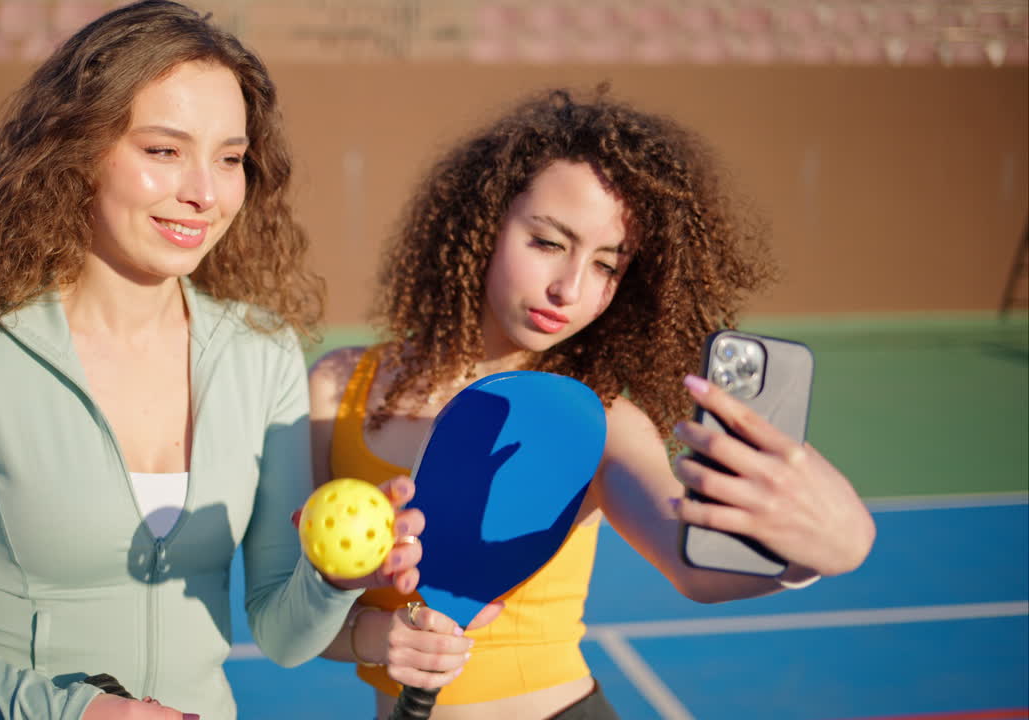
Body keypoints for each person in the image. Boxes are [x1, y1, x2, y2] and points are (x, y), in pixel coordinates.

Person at [0, 3, 426, 719]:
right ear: (79, 149)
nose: (205, 193)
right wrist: (77, 712)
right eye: (163, 151)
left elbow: (282, 635)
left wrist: (339, 577)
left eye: (228, 157)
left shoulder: (264, 356)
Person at [308, 87, 877, 719]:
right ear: (483, 222)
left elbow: (693, 565)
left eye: (608, 264)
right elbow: (293, 612)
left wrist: (812, 556)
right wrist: (375, 638)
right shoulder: (339, 387)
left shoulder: (599, 419)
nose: (570, 288)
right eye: (548, 242)